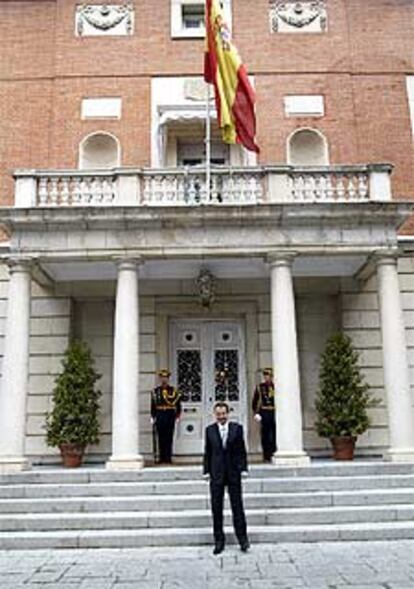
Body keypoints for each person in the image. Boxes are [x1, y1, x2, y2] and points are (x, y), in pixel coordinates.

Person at [203, 401, 250, 555]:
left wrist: (243, 468)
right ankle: (219, 541)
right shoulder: (209, 430)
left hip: (233, 473)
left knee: (237, 507)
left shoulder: (237, 429)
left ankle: (243, 540)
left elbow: (241, 450)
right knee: (217, 509)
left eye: (223, 414)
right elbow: (208, 452)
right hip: (216, 474)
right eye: (218, 414)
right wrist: (206, 471)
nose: (221, 416)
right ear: (215, 414)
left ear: (228, 413)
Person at [151, 369, 181, 464]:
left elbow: (178, 405)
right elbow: (153, 405)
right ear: (160, 378)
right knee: (160, 437)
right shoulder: (156, 391)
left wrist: (177, 416)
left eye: (166, 377)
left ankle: (168, 457)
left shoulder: (173, 391)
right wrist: (152, 416)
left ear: (168, 379)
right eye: (162, 377)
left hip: (169, 414)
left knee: (169, 437)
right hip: (160, 414)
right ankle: (161, 457)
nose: (164, 379)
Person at [252, 368, 276, 462]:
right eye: (265, 376)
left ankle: (274, 453)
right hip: (265, 412)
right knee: (265, 435)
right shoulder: (260, 387)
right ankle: (266, 455)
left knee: (274, 434)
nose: (267, 377)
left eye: (269, 376)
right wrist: (256, 413)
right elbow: (255, 401)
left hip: (274, 412)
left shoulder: (275, 386)